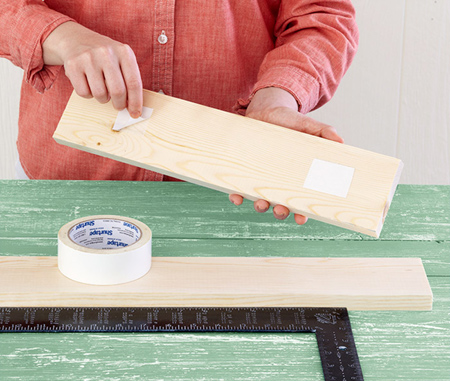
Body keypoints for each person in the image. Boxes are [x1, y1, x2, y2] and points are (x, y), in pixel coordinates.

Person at [0, 1, 358, 225]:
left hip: (234, 193)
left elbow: (320, 16)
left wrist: (277, 96)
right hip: (67, 183)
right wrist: (59, 35)